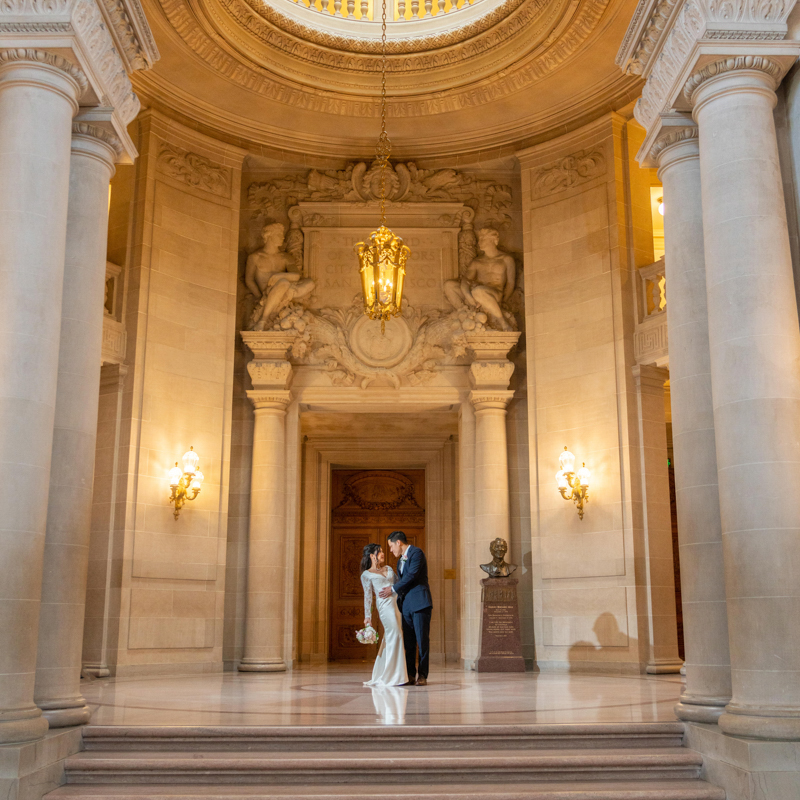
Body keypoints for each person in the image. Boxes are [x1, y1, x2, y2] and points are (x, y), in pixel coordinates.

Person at [379, 531, 433, 686]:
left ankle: (422, 675)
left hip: (420, 603)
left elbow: (412, 575)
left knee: (422, 640)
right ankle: (409, 674)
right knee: (409, 642)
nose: (390, 550)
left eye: (390, 546)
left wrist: (393, 589)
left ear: (398, 543)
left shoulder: (417, 553)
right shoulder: (399, 562)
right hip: (406, 606)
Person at [443, 227, 515, 332]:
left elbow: (510, 283)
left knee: (478, 291)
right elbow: (465, 281)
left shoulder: (506, 259)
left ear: (494, 241)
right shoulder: (477, 262)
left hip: (495, 293)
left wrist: (504, 301)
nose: (480, 242)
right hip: (476, 295)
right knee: (449, 285)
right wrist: (469, 297)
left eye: (483, 239)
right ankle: (465, 312)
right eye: (479, 239)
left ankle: (503, 322)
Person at [245, 222, 314, 330]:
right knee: (284, 283)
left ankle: (282, 299)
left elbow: (296, 276)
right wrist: (259, 297)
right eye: (279, 234)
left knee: (310, 283)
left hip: (287, 289)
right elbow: (249, 280)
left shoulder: (285, 257)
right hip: (267, 291)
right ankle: (263, 320)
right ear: (269, 236)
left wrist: (279, 276)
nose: (283, 237)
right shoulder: (255, 257)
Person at [360, 544, 408, 687]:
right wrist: (367, 617)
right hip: (384, 607)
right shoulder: (366, 575)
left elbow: (399, 585)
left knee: (391, 637)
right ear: (372, 556)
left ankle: (388, 672)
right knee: (396, 635)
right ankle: (394, 676)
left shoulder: (389, 569)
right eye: (379, 551)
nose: (382, 553)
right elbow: (368, 596)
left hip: (396, 606)